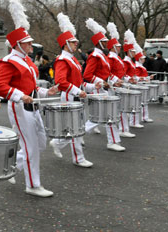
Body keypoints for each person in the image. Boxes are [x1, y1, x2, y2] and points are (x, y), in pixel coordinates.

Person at [0, 0, 58, 197]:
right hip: (20, 109)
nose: (31, 45)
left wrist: (47, 92)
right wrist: (20, 96)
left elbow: (31, 86)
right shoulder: (9, 62)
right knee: (31, 148)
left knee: (40, 143)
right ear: (18, 44)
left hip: (33, 107)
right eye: (28, 43)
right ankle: (33, 184)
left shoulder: (27, 61)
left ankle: (12, 165)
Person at [49, 12, 96, 168]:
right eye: (73, 42)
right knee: (75, 128)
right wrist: (78, 92)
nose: (76, 45)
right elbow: (60, 81)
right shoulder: (62, 59)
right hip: (69, 96)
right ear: (66, 44)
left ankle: (58, 142)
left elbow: (79, 80)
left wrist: (90, 86)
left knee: (75, 127)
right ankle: (78, 158)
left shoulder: (73, 59)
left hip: (74, 95)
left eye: (76, 42)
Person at [83, 18, 125, 152]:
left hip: (103, 88)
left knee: (107, 116)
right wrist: (101, 83)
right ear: (99, 43)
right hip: (97, 89)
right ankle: (72, 137)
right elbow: (87, 75)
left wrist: (113, 81)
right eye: (104, 42)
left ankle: (113, 141)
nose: (107, 43)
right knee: (103, 117)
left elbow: (107, 74)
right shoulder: (95, 56)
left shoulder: (102, 56)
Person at [106, 23, 135, 138]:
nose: (120, 48)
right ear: (113, 47)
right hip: (114, 86)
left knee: (120, 109)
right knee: (111, 112)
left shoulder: (117, 58)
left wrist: (127, 79)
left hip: (119, 85)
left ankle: (124, 129)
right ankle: (123, 129)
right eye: (118, 46)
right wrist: (115, 81)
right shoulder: (111, 58)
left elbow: (122, 73)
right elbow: (108, 72)